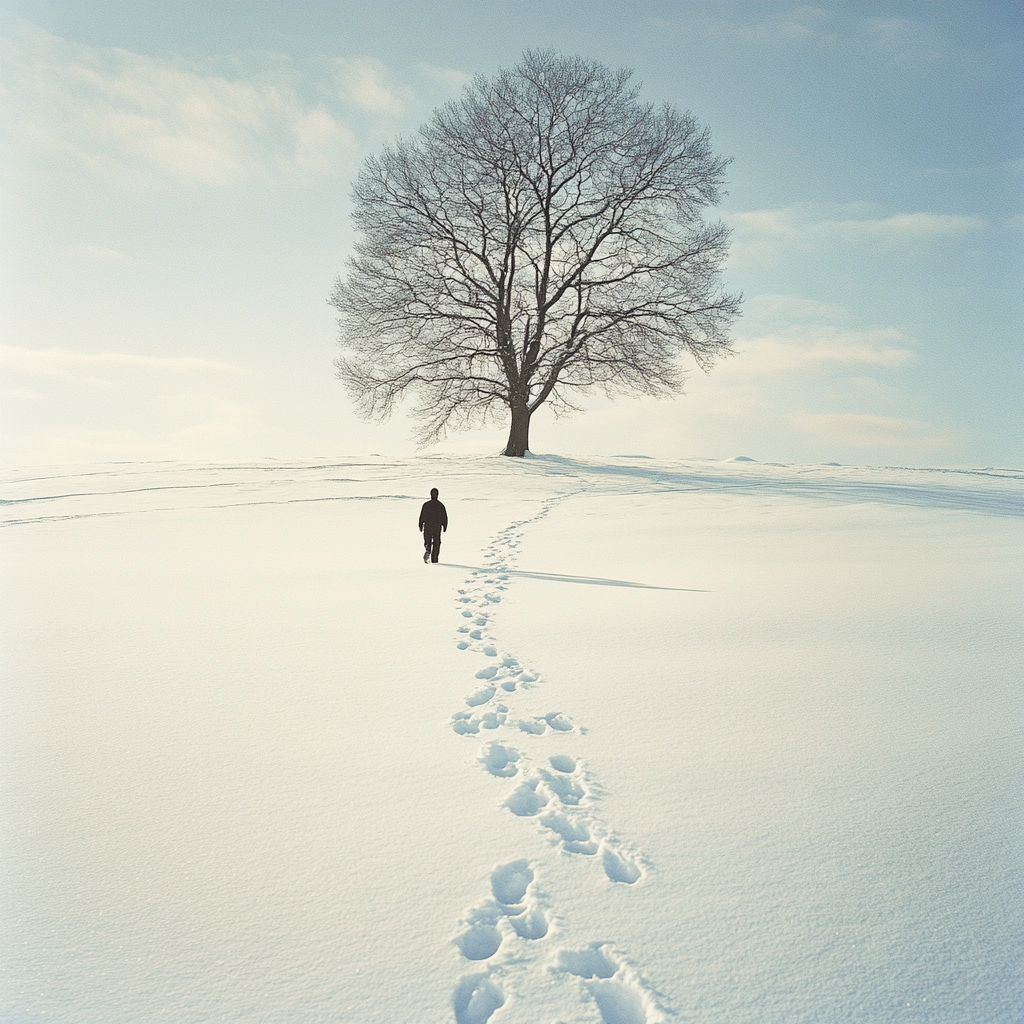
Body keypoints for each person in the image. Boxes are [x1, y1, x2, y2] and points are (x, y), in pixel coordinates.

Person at [418, 487, 447, 563]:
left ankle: (428, 549)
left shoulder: (426, 505)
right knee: (436, 542)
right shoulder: (440, 505)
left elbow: (422, 516)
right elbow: (444, 516)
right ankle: (434, 559)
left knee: (427, 540)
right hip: (437, 527)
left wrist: (420, 525)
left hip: (428, 526)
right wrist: (444, 525)